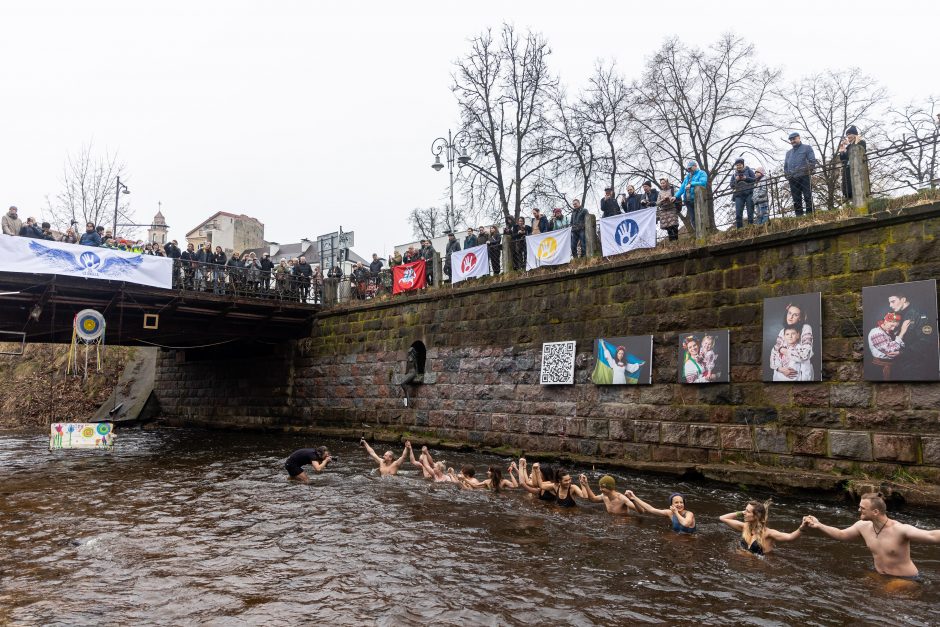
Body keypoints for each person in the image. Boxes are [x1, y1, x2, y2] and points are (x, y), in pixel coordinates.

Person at [803, 492, 940, 580]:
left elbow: (932, 535)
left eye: (862, 508)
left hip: (907, 578)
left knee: (881, 596)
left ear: (875, 511)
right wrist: (819, 525)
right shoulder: (862, 527)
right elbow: (841, 534)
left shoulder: (900, 530)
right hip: (882, 576)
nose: (858, 510)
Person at [719, 500, 806, 555]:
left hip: (759, 570)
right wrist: (742, 512)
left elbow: (790, 537)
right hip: (743, 567)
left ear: (756, 516)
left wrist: (802, 527)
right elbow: (722, 518)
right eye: (744, 510)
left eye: (747, 511)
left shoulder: (768, 533)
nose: (744, 513)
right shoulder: (745, 527)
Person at [886, 289, 937, 380]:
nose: (890, 305)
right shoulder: (895, 315)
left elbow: (927, 341)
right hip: (899, 366)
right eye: (889, 302)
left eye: (893, 301)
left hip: (916, 367)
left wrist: (902, 353)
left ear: (903, 300)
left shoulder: (918, 313)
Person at [771, 303, 814, 381]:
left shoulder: (805, 328)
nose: (790, 317)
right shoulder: (782, 331)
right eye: (789, 313)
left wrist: (782, 350)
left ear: (800, 318)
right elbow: (774, 353)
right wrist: (781, 369)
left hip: (800, 375)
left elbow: (805, 354)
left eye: (795, 315)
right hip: (781, 374)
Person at [625, 491, 696, 533]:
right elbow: (651, 509)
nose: (679, 504)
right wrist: (634, 498)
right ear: (672, 505)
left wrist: (676, 512)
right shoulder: (670, 513)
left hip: (690, 539)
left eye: (681, 502)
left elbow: (685, 523)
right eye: (676, 502)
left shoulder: (689, 514)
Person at [784, 132, 818, 215]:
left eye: (794, 139)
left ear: (799, 138)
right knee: (796, 199)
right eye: (791, 140)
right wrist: (787, 175)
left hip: (804, 176)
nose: (792, 141)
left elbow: (812, 161)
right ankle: (799, 216)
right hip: (793, 178)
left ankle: (810, 215)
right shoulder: (788, 153)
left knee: (807, 196)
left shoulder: (807, 148)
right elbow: (785, 166)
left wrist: (806, 170)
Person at [868, 312, 905, 379]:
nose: (893, 328)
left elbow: (900, 347)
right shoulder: (876, 333)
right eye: (892, 325)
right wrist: (902, 333)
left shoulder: (887, 332)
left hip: (891, 365)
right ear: (886, 321)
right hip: (880, 367)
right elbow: (889, 349)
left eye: (895, 326)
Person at [675, 161, 708, 230]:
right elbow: (682, 187)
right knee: (692, 218)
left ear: (695, 166)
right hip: (688, 200)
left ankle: (704, 233)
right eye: (688, 169)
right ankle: (697, 233)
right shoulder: (688, 176)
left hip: (697, 199)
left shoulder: (702, 173)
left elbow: (703, 182)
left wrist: (691, 184)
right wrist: (675, 196)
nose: (689, 170)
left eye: (690, 168)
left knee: (700, 216)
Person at [839, 125, 867, 203]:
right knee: (848, 188)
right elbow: (843, 158)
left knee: (857, 187)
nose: (848, 136)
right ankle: (851, 201)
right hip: (848, 169)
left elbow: (857, 151)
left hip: (857, 169)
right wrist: (842, 151)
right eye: (847, 135)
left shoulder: (861, 142)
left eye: (849, 134)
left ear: (855, 134)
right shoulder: (849, 146)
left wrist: (848, 145)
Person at [728, 158, 756, 228]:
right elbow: (731, 185)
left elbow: (755, 180)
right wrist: (736, 180)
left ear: (743, 165)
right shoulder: (734, 175)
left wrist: (746, 178)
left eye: (740, 165)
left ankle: (751, 228)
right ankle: (739, 230)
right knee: (738, 214)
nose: (738, 166)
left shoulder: (749, 170)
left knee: (750, 212)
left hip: (749, 193)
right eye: (737, 165)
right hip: (738, 195)